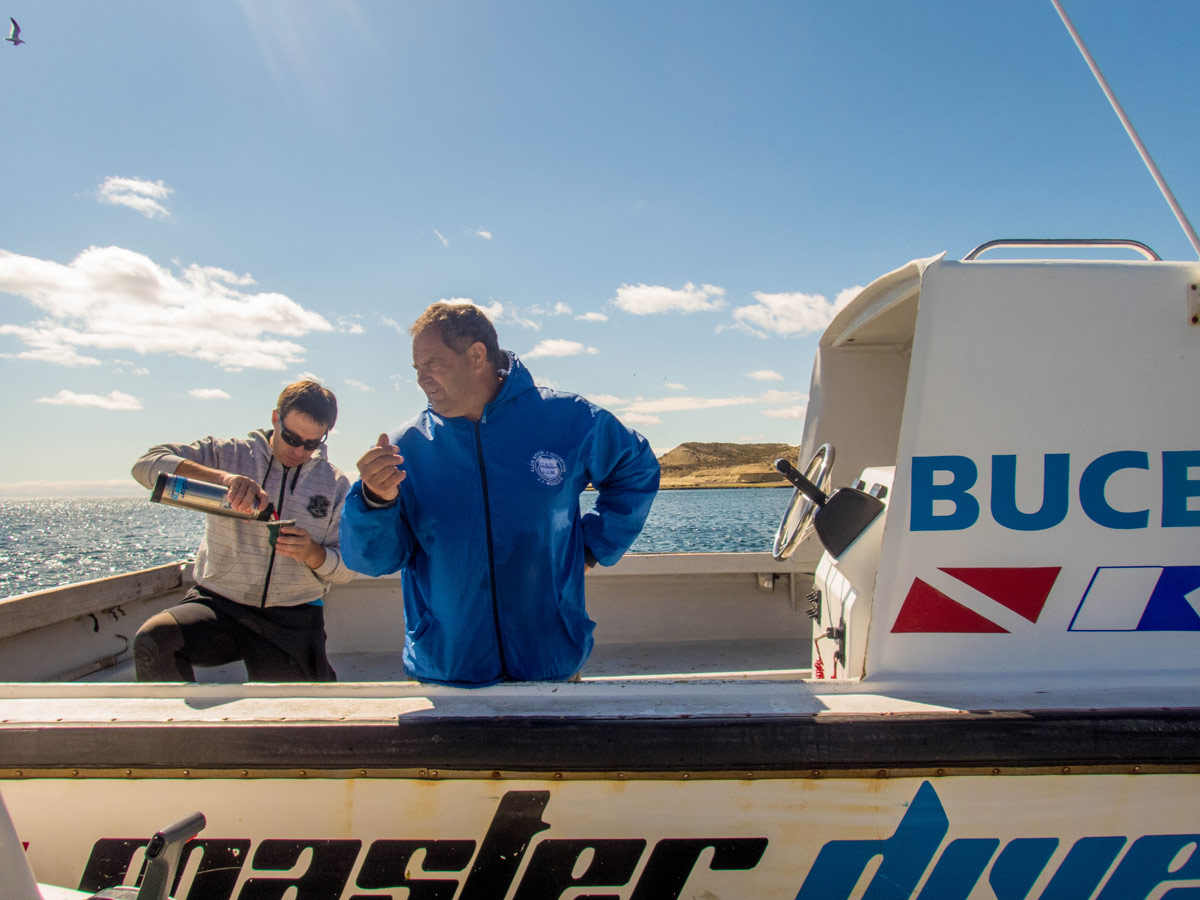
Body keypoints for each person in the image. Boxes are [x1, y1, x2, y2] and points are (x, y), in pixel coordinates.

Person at [340, 302, 659, 687]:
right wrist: (375, 500)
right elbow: (374, 562)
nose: (422, 379)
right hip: (446, 669)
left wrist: (592, 548)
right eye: (417, 369)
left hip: (550, 661)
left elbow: (636, 470)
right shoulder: (406, 447)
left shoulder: (569, 419)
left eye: (433, 364)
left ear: (477, 355)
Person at [131, 380, 356, 682]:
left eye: (311, 443)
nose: (298, 450)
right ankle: (174, 731)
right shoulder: (229, 454)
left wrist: (312, 554)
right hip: (218, 606)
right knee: (155, 640)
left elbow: (346, 570)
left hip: (292, 617)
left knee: (296, 719)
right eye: (291, 437)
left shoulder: (336, 485)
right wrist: (223, 479)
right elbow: (145, 466)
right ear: (276, 419)